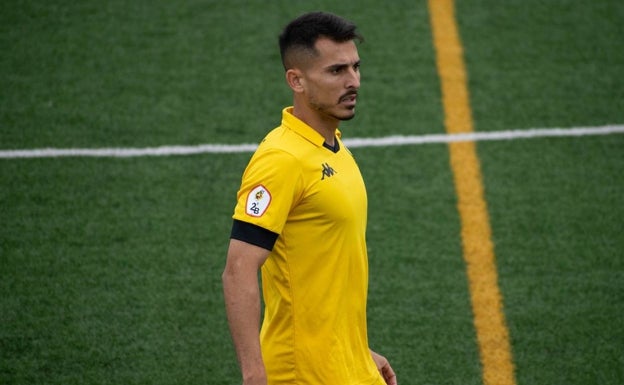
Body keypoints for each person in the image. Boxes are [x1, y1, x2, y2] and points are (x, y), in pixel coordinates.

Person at [222, 11, 397, 385]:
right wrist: (254, 375)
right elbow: (238, 269)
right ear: (296, 80)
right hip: (302, 374)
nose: (353, 82)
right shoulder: (282, 160)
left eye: (355, 67)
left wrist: (357, 350)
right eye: (336, 71)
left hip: (345, 366)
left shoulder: (332, 148)